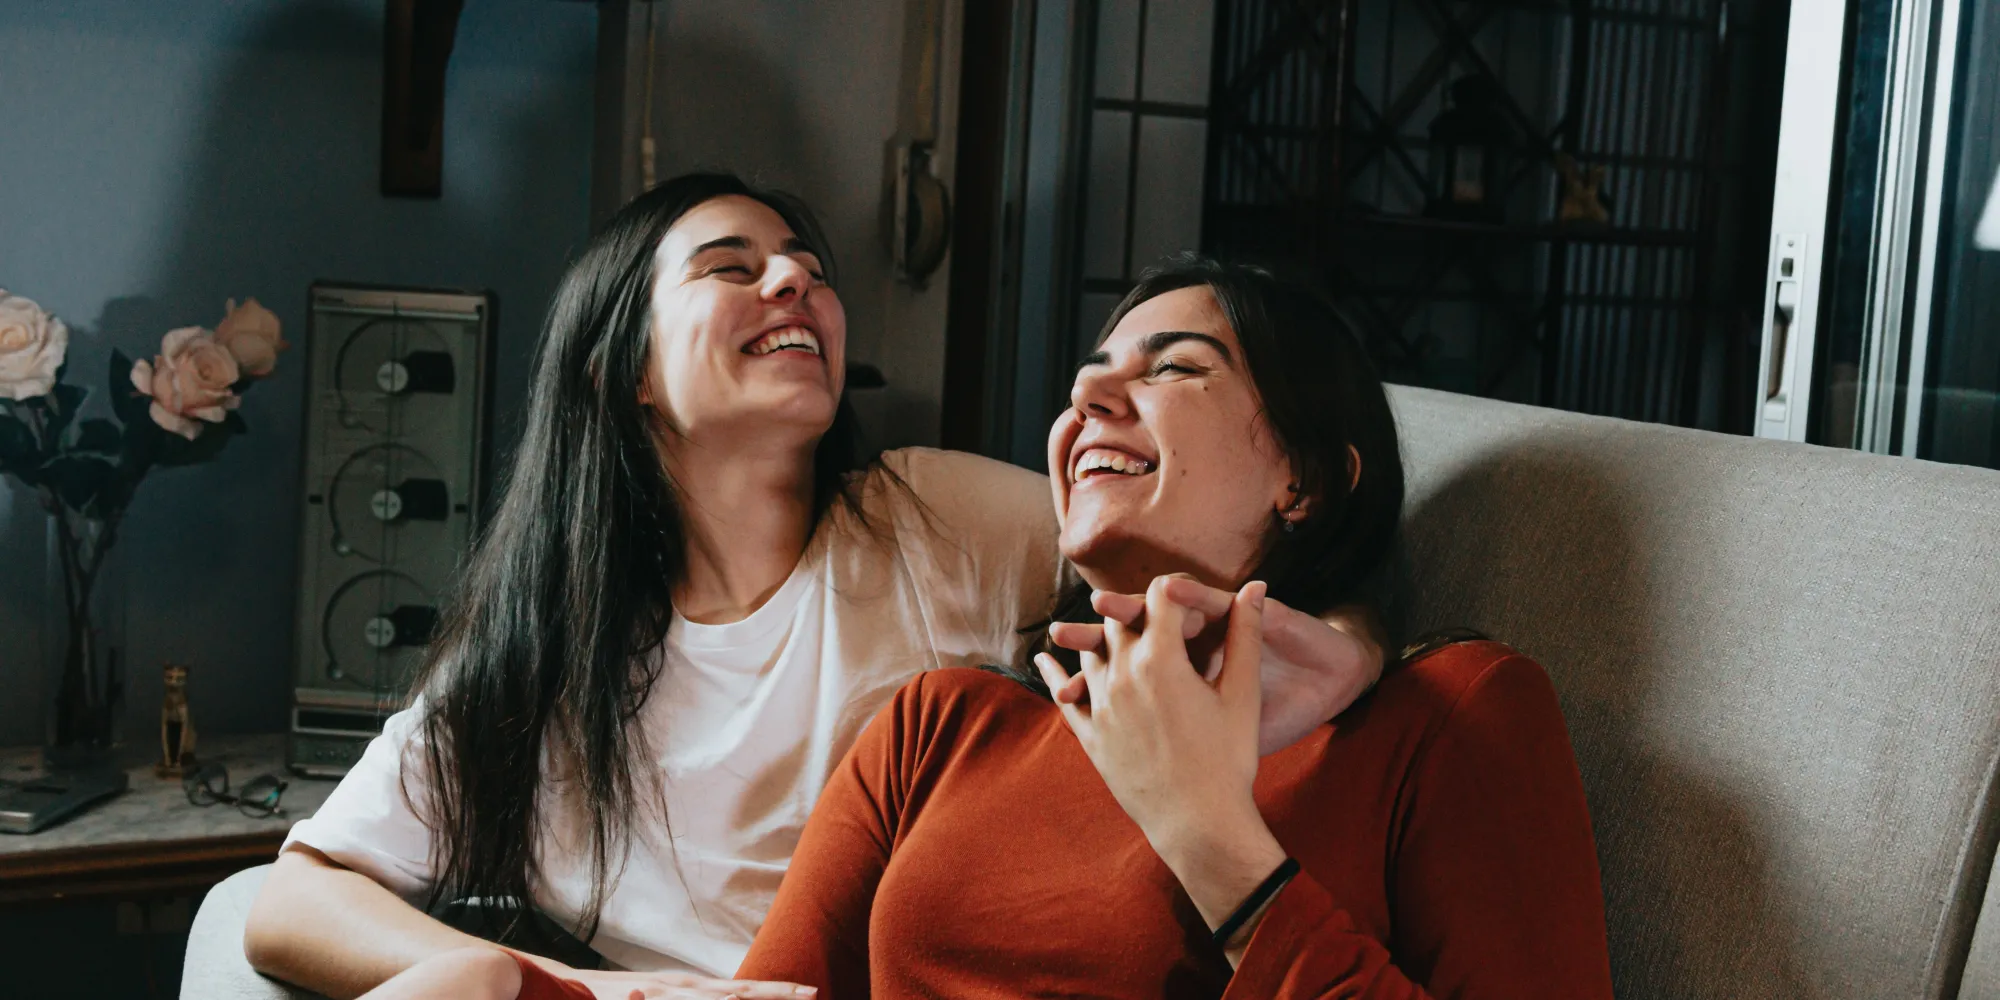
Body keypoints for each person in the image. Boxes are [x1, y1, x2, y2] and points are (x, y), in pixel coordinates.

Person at [243, 176, 1383, 1000]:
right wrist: (562, 985)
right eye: (730, 268)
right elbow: (292, 900)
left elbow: (1193, 545)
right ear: (626, 370)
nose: (794, 279)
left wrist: (1361, 639)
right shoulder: (548, 647)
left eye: (810, 270)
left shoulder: (932, 519)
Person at [719, 258, 1616, 997]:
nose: (1086, 393)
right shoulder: (942, 728)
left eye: (1175, 368)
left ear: (1303, 478)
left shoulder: (1447, 713)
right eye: (1089, 373)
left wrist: (1207, 833)